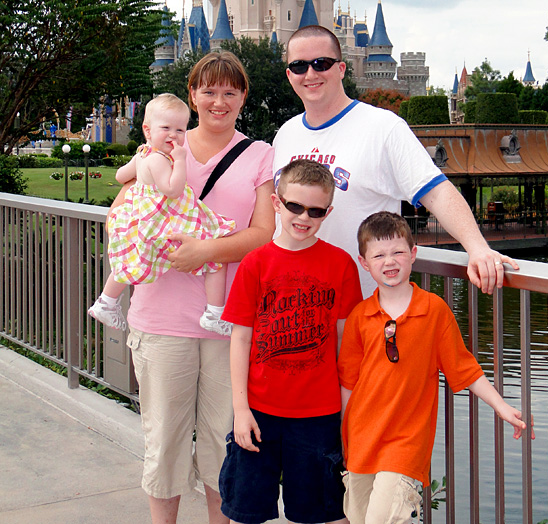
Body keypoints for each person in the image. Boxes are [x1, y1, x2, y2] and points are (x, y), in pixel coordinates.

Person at [111, 51, 275, 524]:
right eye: (209, 91)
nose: (218, 101)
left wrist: (204, 251)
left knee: (226, 445)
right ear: (192, 95)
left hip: (231, 326)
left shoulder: (258, 155)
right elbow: (118, 215)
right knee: (164, 443)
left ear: (244, 96)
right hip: (162, 322)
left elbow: (263, 233)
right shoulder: (159, 149)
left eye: (230, 91)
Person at [273, 24, 518, 297]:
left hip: (362, 312)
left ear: (341, 69)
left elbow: (436, 191)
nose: (310, 74)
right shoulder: (286, 134)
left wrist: (477, 247)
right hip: (292, 310)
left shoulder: (383, 127)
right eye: (299, 66)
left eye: (321, 63)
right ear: (289, 74)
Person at [338, 211, 533, 524]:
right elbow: (348, 383)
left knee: (383, 518)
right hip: (361, 439)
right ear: (365, 263)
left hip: (405, 444)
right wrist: (342, 436)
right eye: (379, 255)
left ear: (413, 254)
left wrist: (501, 406)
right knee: (359, 517)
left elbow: (463, 367)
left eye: (398, 252)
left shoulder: (433, 310)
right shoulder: (360, 316)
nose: (390, 261)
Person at [219, 159, 363, 524]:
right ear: (276, 203)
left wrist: (348, 413)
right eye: (294, 206)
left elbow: (347, 343)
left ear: (328, 212)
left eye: (315, 210)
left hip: (319, 414)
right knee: (244, 510)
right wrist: (240, 410)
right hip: (260, 411)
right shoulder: (255, 263)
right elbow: (240, 339)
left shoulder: (341, 264)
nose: (304, 217)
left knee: (326, 512)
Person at [88, 93, 236, 335]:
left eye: (180, 130)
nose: (173, 135)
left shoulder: (142, 155)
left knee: (130, 260)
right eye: (166, 128)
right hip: (162, 223)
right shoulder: (159, 160)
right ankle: (215, 312)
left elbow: (119, 176)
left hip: (145, 221)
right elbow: (173, 190)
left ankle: (106, 300)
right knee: (214, 255)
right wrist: (179, 161)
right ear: (148, 130)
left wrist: (139, 178)